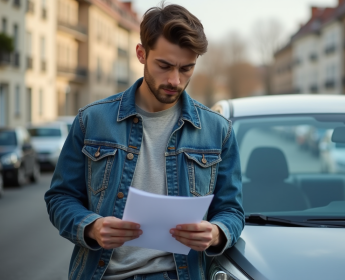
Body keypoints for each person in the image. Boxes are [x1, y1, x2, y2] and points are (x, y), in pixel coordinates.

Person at [44, 3, 244, 280]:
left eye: (187, 68)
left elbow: (232, 210)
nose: (175, 80)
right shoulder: (91, 121)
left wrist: (217, 232)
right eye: (164, 66)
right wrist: (91, 226)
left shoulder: (218, 130)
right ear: (141, 54)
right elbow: (60, 198)